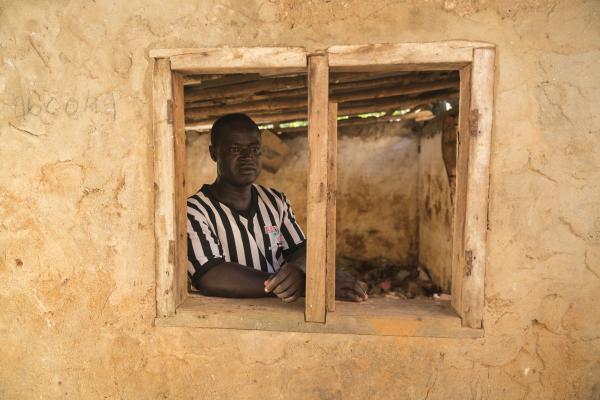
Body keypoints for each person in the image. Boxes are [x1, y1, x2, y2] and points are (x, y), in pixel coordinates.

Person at [187, 113, 368, 303]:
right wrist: (304, 286)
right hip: (226, 321)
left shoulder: (275, 201)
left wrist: (299, 270)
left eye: (255, 149)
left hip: (280, 317)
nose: (248, 157)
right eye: (236, 149)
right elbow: (211, 276)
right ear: (214, 153)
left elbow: (300, 249)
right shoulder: (194, 211)